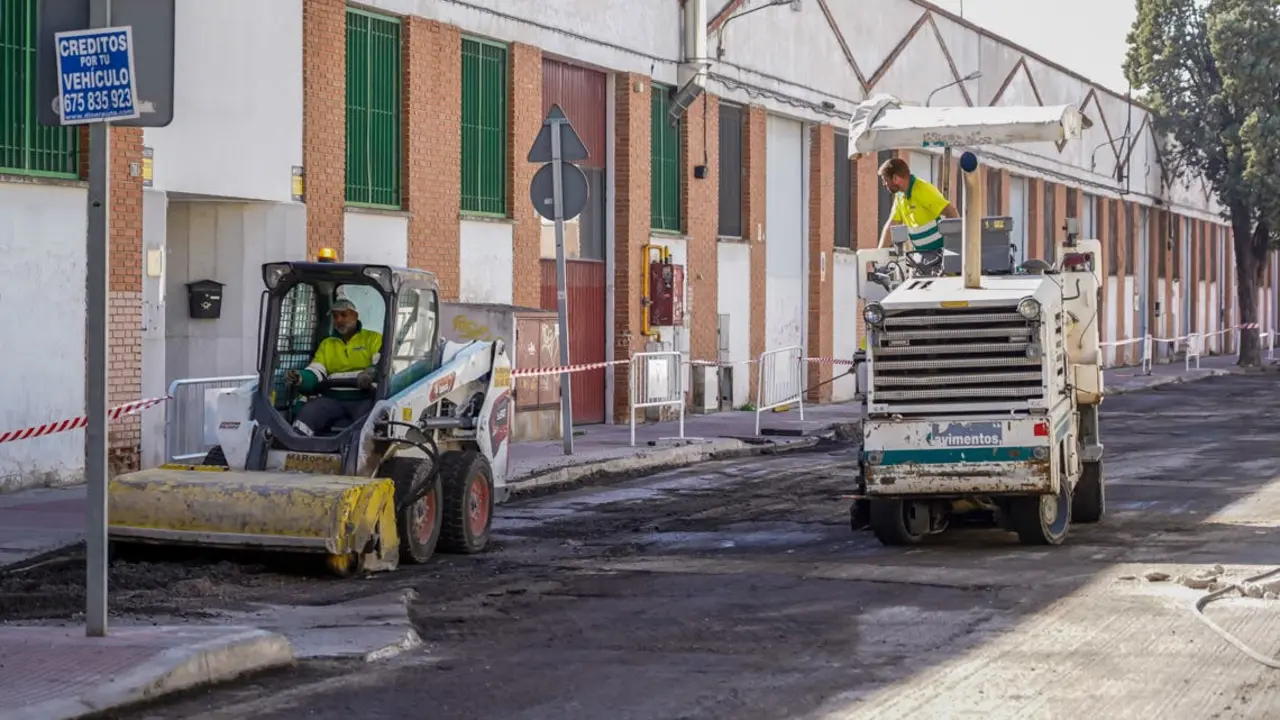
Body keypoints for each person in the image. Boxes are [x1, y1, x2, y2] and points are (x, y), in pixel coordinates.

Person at [285, 298, 383, 436]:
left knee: (366, 425)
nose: (339, 320)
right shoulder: (327, 344)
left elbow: (380, 364)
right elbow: (316, 371)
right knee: (308, 414)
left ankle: (354, 448)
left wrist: (370, 372)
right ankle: (297, 445)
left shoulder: (373, 339)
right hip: (332, 398)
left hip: (363, 398)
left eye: (343, 315)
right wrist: (301, 377)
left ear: (355, 316)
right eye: (335, 316)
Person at [877, 157, 959, 252]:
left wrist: (954, 248)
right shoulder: (899, 196)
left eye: (885, 180)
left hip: (940, 254)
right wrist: (879, 254)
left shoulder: (923, 189)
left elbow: (951, 211)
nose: (884, 184)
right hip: (922, 255)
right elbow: (892, 225)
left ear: (895, 178)